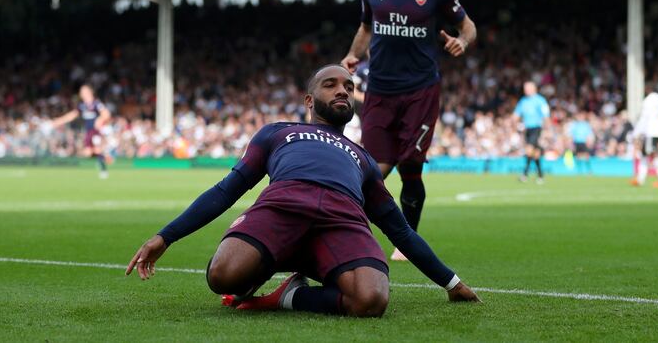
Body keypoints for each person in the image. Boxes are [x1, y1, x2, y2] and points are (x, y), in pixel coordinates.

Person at [125, 65, 479, 318]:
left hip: (342, 221)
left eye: (348, 87)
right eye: (331, 84)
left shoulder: (364, 159)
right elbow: (226, 190)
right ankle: (262, 266)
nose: (343, 90)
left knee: (371, 301)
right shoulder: (276, 133)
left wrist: (450, 282)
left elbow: (398, 229)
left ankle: (289, 296)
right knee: (223, 276)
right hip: (282, 209)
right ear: (310, 100)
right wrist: (166, 236)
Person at [340, 0, 477, 261]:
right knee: (371, 169)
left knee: (410, 167)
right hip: (379, 92)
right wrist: (352, 56)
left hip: (420, 91)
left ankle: (406, 241)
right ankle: (349, 234)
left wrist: (462, 41)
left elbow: (469, 27)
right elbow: (366, 28)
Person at [52, 84, 111, 179]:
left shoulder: (96, 104)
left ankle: (104, 169)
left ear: (90, 92)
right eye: (81, 92)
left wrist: (100, 119)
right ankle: (105, 158)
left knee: (97, 149)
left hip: (95, 131)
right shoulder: (82, 106)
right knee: (88, 153)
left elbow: (106, 114)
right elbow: (72, 115)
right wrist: (59, 121)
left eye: (84, 91)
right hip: (88, 132)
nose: (82, 93)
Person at [631, 86, 658, 188]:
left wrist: (636, 133)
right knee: (647, 154)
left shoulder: (648, 100)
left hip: (651, 132)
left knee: (652, 155)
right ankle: (640, 179)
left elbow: (644, 118)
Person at [514, 81, 550, 184]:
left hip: (536, 128)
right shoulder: (523, 101)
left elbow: (546, 115)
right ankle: (540, 175)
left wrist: (547, 129)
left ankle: (525, 174)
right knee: (536, 154)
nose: (525, 90)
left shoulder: (540, 100)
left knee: (529, 150)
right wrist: (513, 123)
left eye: (527, 88)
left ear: (534, 89)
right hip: (527, 129)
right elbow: (516, 114)